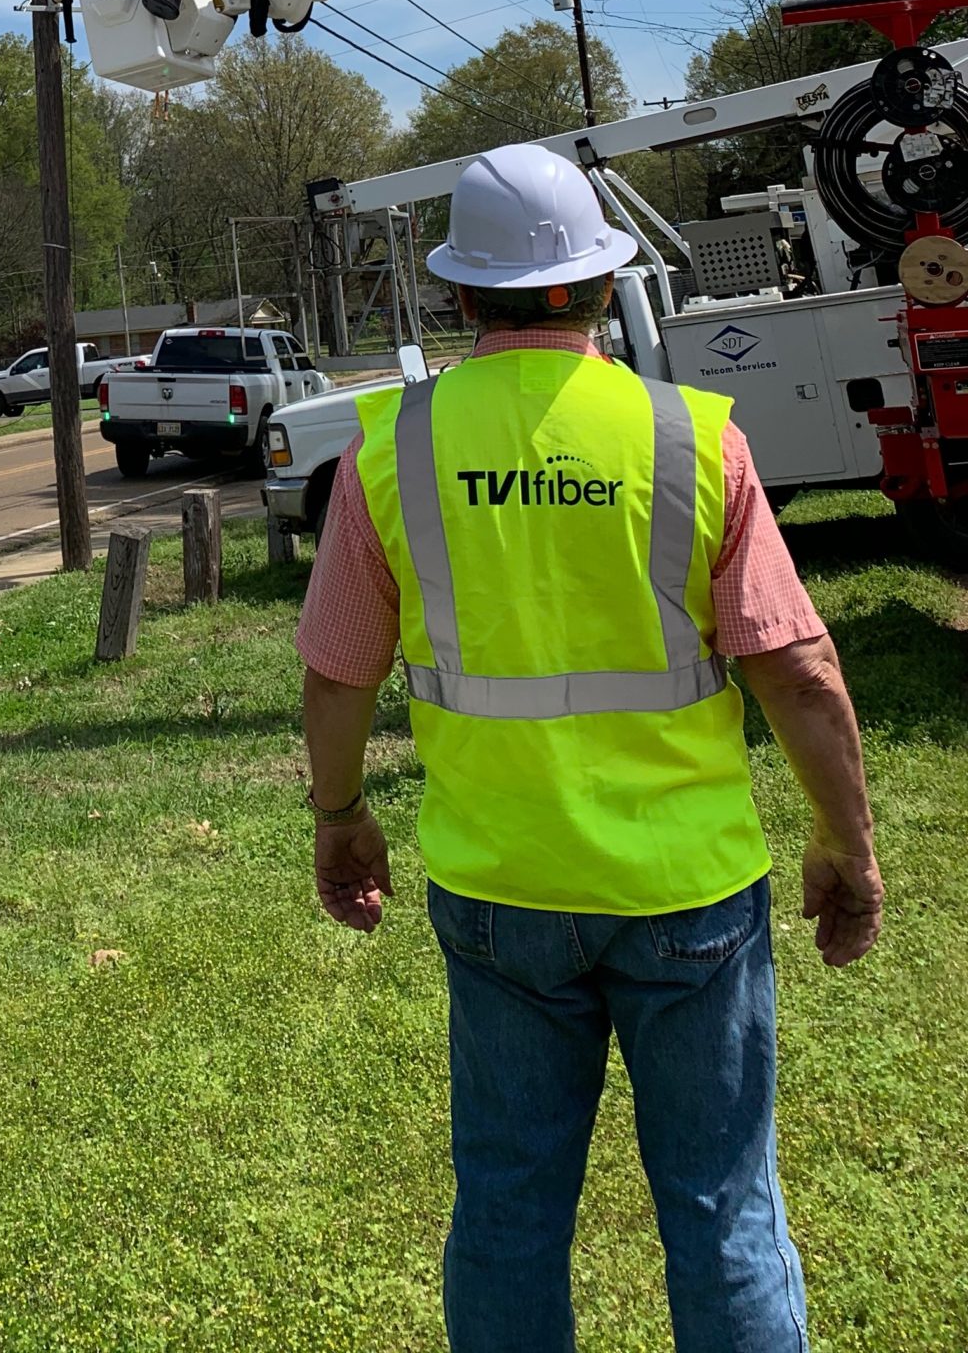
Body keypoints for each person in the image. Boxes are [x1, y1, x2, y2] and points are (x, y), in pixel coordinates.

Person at [298, 140, 880, 1353]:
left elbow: (339, 663)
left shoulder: (393, 446)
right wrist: (845, 841)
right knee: (723, 1209)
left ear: (461, 295)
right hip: (690, 892)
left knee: (508, 1212)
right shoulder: (688, 438)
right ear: (602, 282)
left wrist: (341, 814)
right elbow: (800, 669)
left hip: (501, 888)